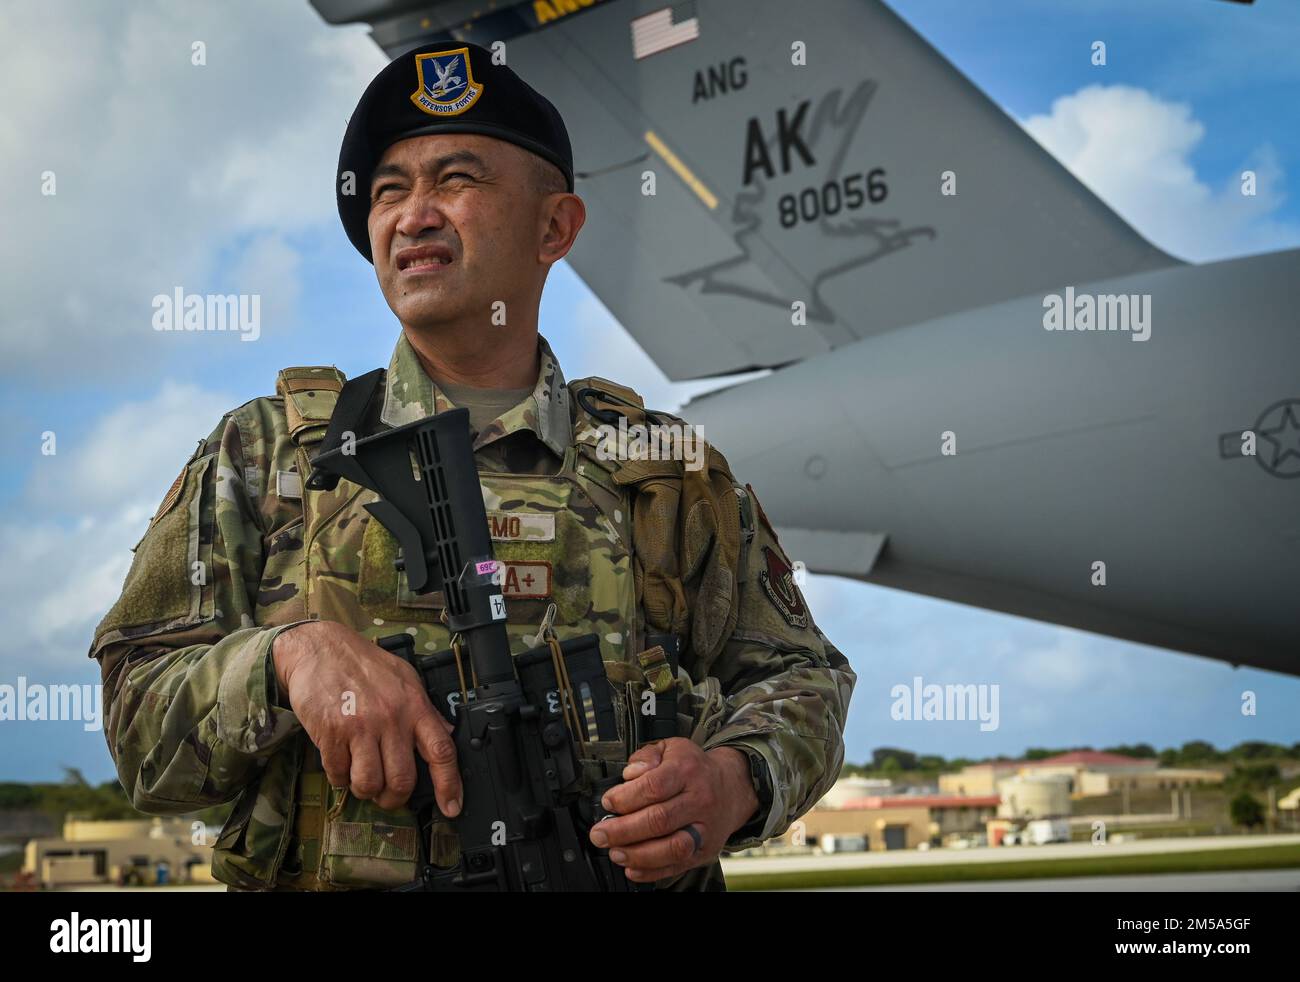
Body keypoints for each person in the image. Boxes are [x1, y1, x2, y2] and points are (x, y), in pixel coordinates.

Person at [88, 41, 855, 891]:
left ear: (555, 226)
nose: (413, 215)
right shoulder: (266, 453)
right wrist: (287, 659)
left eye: (456, 180)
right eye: (389, 191)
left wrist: (735, 780)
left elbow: (802, 676)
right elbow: (139, 736)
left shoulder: (663, 469)